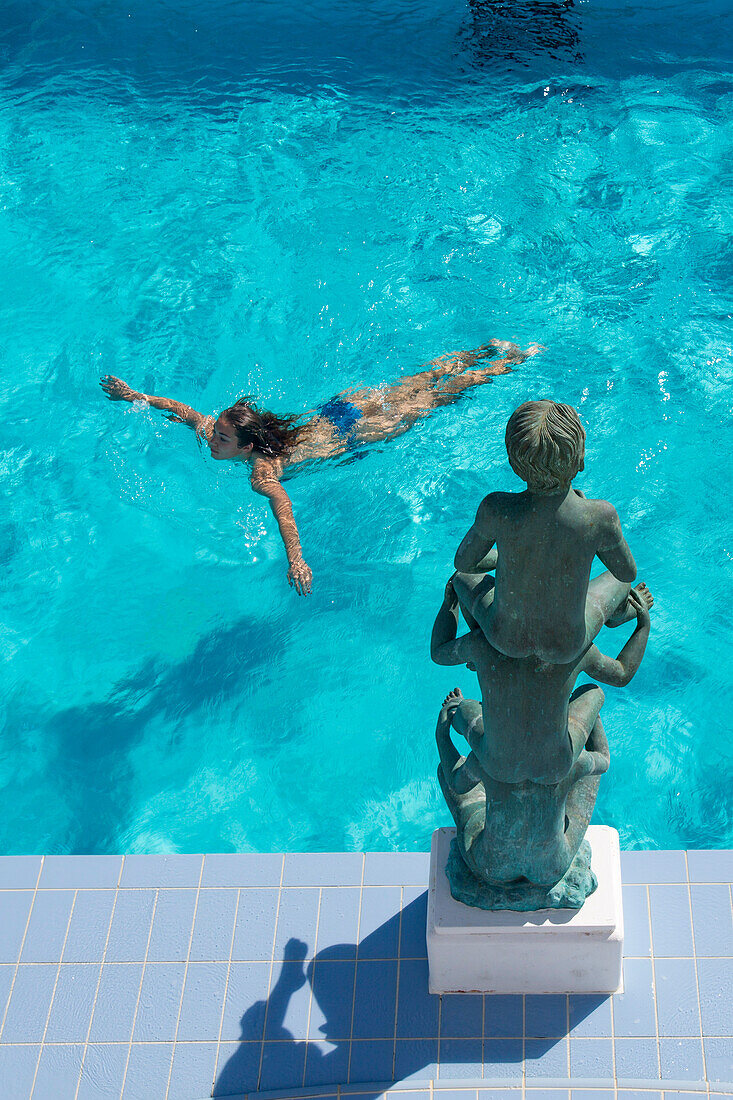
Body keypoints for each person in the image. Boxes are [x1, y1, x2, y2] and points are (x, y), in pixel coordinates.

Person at [100, 339, 542, 595]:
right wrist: (135, 395)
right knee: (418, 385)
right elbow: (186, 411)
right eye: (216, 434)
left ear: (248, 444)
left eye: (221, 439)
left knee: (438, 397)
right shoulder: (234, 437)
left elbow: (282, 507)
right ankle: (486, 349)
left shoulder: (261, 469)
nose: (212, 440)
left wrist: (296, 558)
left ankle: (509, 361)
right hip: (341, 409)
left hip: (358, 434)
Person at [430, 573, 653, 885]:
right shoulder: (567, 766)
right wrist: (644, 625)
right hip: (551, 867)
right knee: (594, 700)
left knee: (455, 774)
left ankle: (457, 713)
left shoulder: (486, 757)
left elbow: (439, 652)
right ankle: (620, 618)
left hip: (490, 866)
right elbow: (621, 678)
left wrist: (449, 605)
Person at [452, 399, 638, 664]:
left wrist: (506, 558)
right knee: (620, 583)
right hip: (564, 647)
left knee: (460, 578)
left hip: (505, 639)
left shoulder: (497, 508)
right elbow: (626, 571)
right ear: (580, 459)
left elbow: (465, 563)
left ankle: (479, 651)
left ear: (515, 464)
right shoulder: (599, 517)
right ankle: (619, 616)